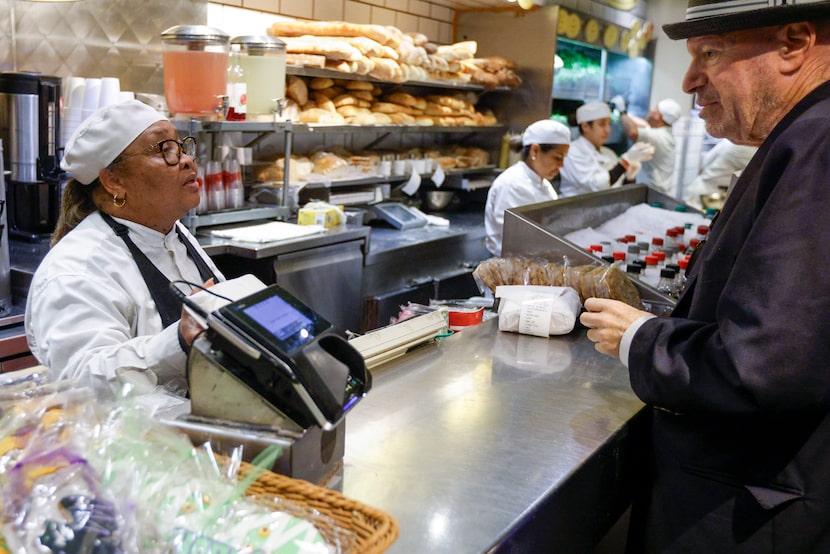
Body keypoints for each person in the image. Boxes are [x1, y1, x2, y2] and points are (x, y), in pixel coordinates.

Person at [579, 1, 830, 551]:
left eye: (709, 54)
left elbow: (763, 363)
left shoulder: (818, 143)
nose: (691, 80)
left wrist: (641, 340)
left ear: (793, 43)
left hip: (751, 510)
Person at [25, 99, 223, 400]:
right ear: (113, 181)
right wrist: (178, 341)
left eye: (182, 147)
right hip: (141, 443)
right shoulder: (76, 269)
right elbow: (83, 382)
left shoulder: (175, 234)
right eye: (163, 149)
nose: (186, 160)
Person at [484, 119, 570, 256]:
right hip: (510, 269)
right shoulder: (512, 184)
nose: (561, 165)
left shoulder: (544, 183)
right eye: (557, 157)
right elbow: (519, 241)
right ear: (535, 151)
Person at [558, 102, 655, 198]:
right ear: (585, 126)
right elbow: (595, 186)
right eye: (602, 124)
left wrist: (629, 177)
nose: (608, 130)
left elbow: (618, 190)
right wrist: (625, 162)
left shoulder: (609, 153)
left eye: (609, 124)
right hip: (575, 210)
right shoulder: (572, 152)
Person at [615, 96, 683, 194]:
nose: (651, 109)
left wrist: (622, 111)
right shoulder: (665, 133)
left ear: (658, 116)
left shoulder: (657, 136)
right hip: (661, 191)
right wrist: (626, 115)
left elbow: (632, 132)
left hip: (651, 192)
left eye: (655, 108)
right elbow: (644, 124)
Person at [683, 137, 758, 209]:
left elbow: (704, 164)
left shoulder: (730, 141)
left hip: (700, 188)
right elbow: (761, 173)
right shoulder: (746, 148)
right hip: (709, 198)